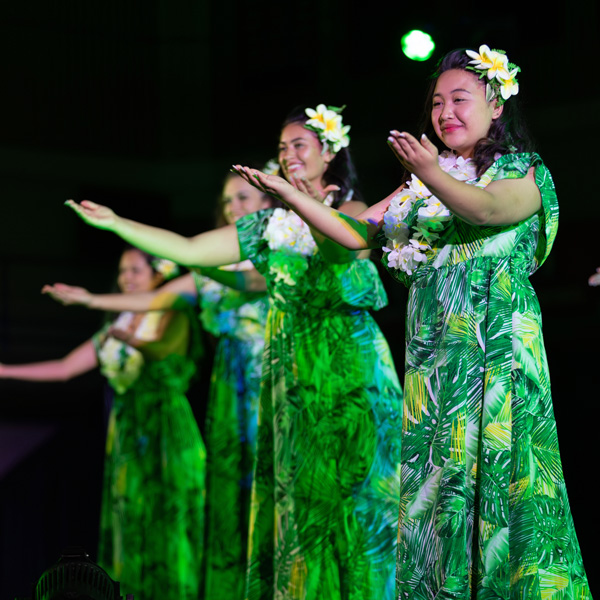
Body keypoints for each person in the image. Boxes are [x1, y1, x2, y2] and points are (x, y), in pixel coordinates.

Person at [234, 46, 593, 598]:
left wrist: (427, 171)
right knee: (434, 491)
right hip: (432, 359)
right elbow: (356, 234)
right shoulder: (420, 184)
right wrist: (286, 194)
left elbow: (486, 210)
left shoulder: (524, 172)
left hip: (493, 348)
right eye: (436, 103)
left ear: (496, 103)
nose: (444, 111)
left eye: (459, 99)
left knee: (503, 486)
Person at [65, 104, 404, 600]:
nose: (287, 155)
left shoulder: (354, 210)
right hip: (291, 375)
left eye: (299, 146)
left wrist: (301, 201)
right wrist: (119, 223)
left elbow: (343, 248)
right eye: (282, 148)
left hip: (350, 370)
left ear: (329, 152)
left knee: (357, 503)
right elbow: (192, 250)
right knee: (300, 506)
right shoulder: (271, 227)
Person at [45, 170, 272, 600]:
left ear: (268, 202)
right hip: (231, 386)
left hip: (275, 379)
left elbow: (244, 281)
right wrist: (91, 300)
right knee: (233, 504)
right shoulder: (209, 272)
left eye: (242, 198)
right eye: (225, 202)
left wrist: (197, 262)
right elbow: (155, 298)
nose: (232, 209)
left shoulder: (280, 252)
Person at [0, 247, 206, 600]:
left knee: (168, 520)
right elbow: (66, 368)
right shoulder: (118, 322)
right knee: (131, 519)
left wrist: (130, 338)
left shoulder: (173, 311)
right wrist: (5, 371)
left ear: (159, 275)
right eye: (122, 270)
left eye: (136, 271)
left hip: (165, 426)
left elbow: (164, 353)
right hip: (127, 429)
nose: (126, 277)